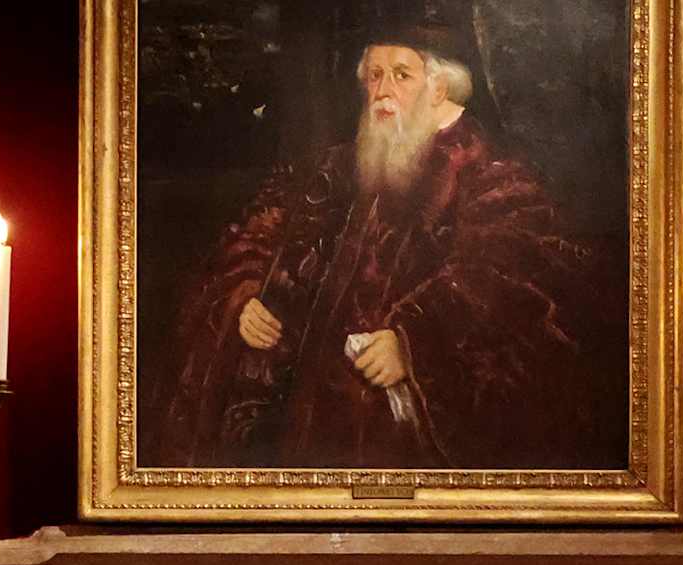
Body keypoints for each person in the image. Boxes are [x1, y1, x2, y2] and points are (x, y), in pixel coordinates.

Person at [153, 26, 592, 471]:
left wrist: (414, 344)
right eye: (375, 75)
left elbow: (509, 276)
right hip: (305, 422)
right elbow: (255, 236)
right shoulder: (340, 165)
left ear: (439, 88)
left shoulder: (494, 177)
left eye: (401, 75)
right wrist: (246, 296)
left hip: (398, 435)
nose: (382, 91)